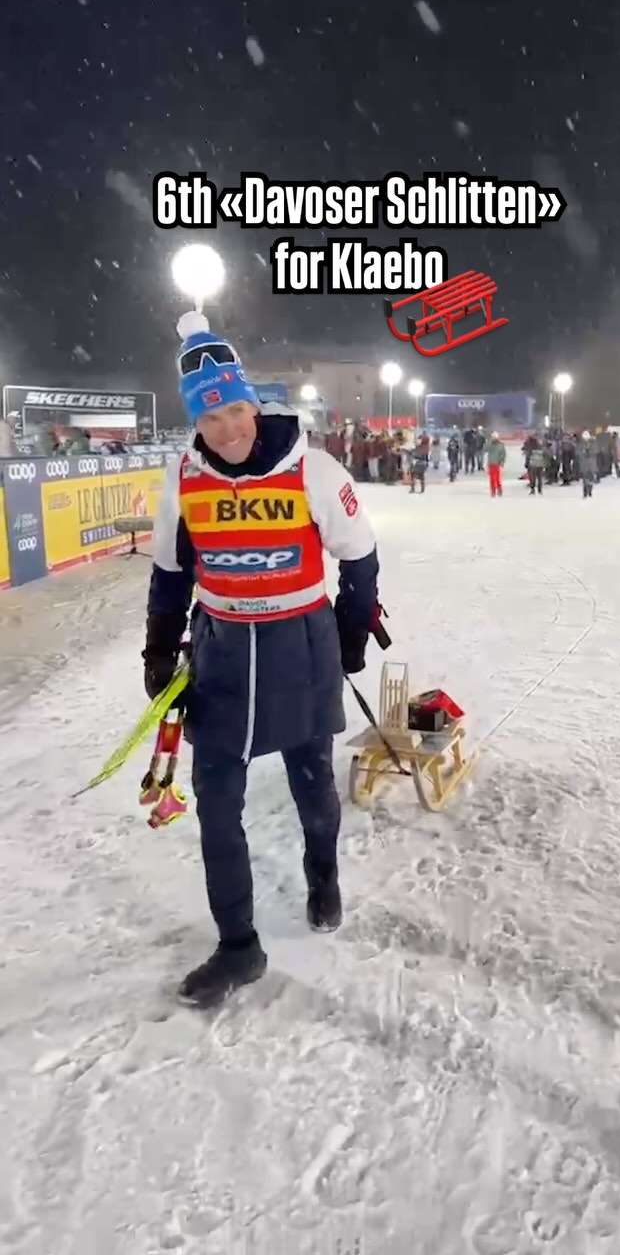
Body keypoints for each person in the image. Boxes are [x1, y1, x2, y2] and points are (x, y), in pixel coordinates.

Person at [142, 311, 383, 1007]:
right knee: (217, 806)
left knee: (313, 782)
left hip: (298, 643)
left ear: (254, 404)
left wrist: (351, 631)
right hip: (220, 652)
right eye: (210, 418)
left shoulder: (312, 468)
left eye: (236, 411)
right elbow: (169, 574)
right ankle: (238, 946)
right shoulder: (183, 478)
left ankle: (323, 875)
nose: (228, 430)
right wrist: (159, 649)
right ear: (196, 421)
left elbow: (360, 556)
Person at [577, 430, 597, 498]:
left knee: (591, 478)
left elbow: (595, 451)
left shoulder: (593, 443)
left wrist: (589, 452)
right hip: (584, 464)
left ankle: (590, 491)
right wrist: (583, 453)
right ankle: (585, 492)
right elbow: (578, 452)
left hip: (591, 464)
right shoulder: (581, 444)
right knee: (585, 478)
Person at [485, 431, 506, 497]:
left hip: (497, 464)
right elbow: (485, 449)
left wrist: (501, 463)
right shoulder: (490, 444)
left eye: (494, 437)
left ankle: (499, 490)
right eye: (492, 437)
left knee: (497, 478)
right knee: (492, 479)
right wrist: (489, 442)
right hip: (491, 463)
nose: (493, 438)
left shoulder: (500, 445)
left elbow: (503, 454)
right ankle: (493, 491)